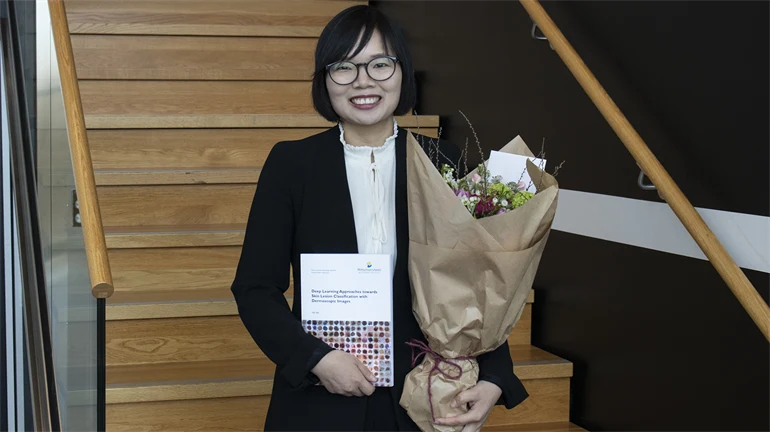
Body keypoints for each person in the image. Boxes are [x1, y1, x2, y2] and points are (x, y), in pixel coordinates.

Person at [230, 5, 528, 432]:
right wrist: (317, 359)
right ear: (325, 80)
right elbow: (255, 288)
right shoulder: (292, 164)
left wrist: (496, 378)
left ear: (402, 72)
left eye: (380, 64)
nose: (363, 80)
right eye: (344, 67)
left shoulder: (441, 160)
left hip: (427, 389)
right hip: (322, 394)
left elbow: (481, 281)